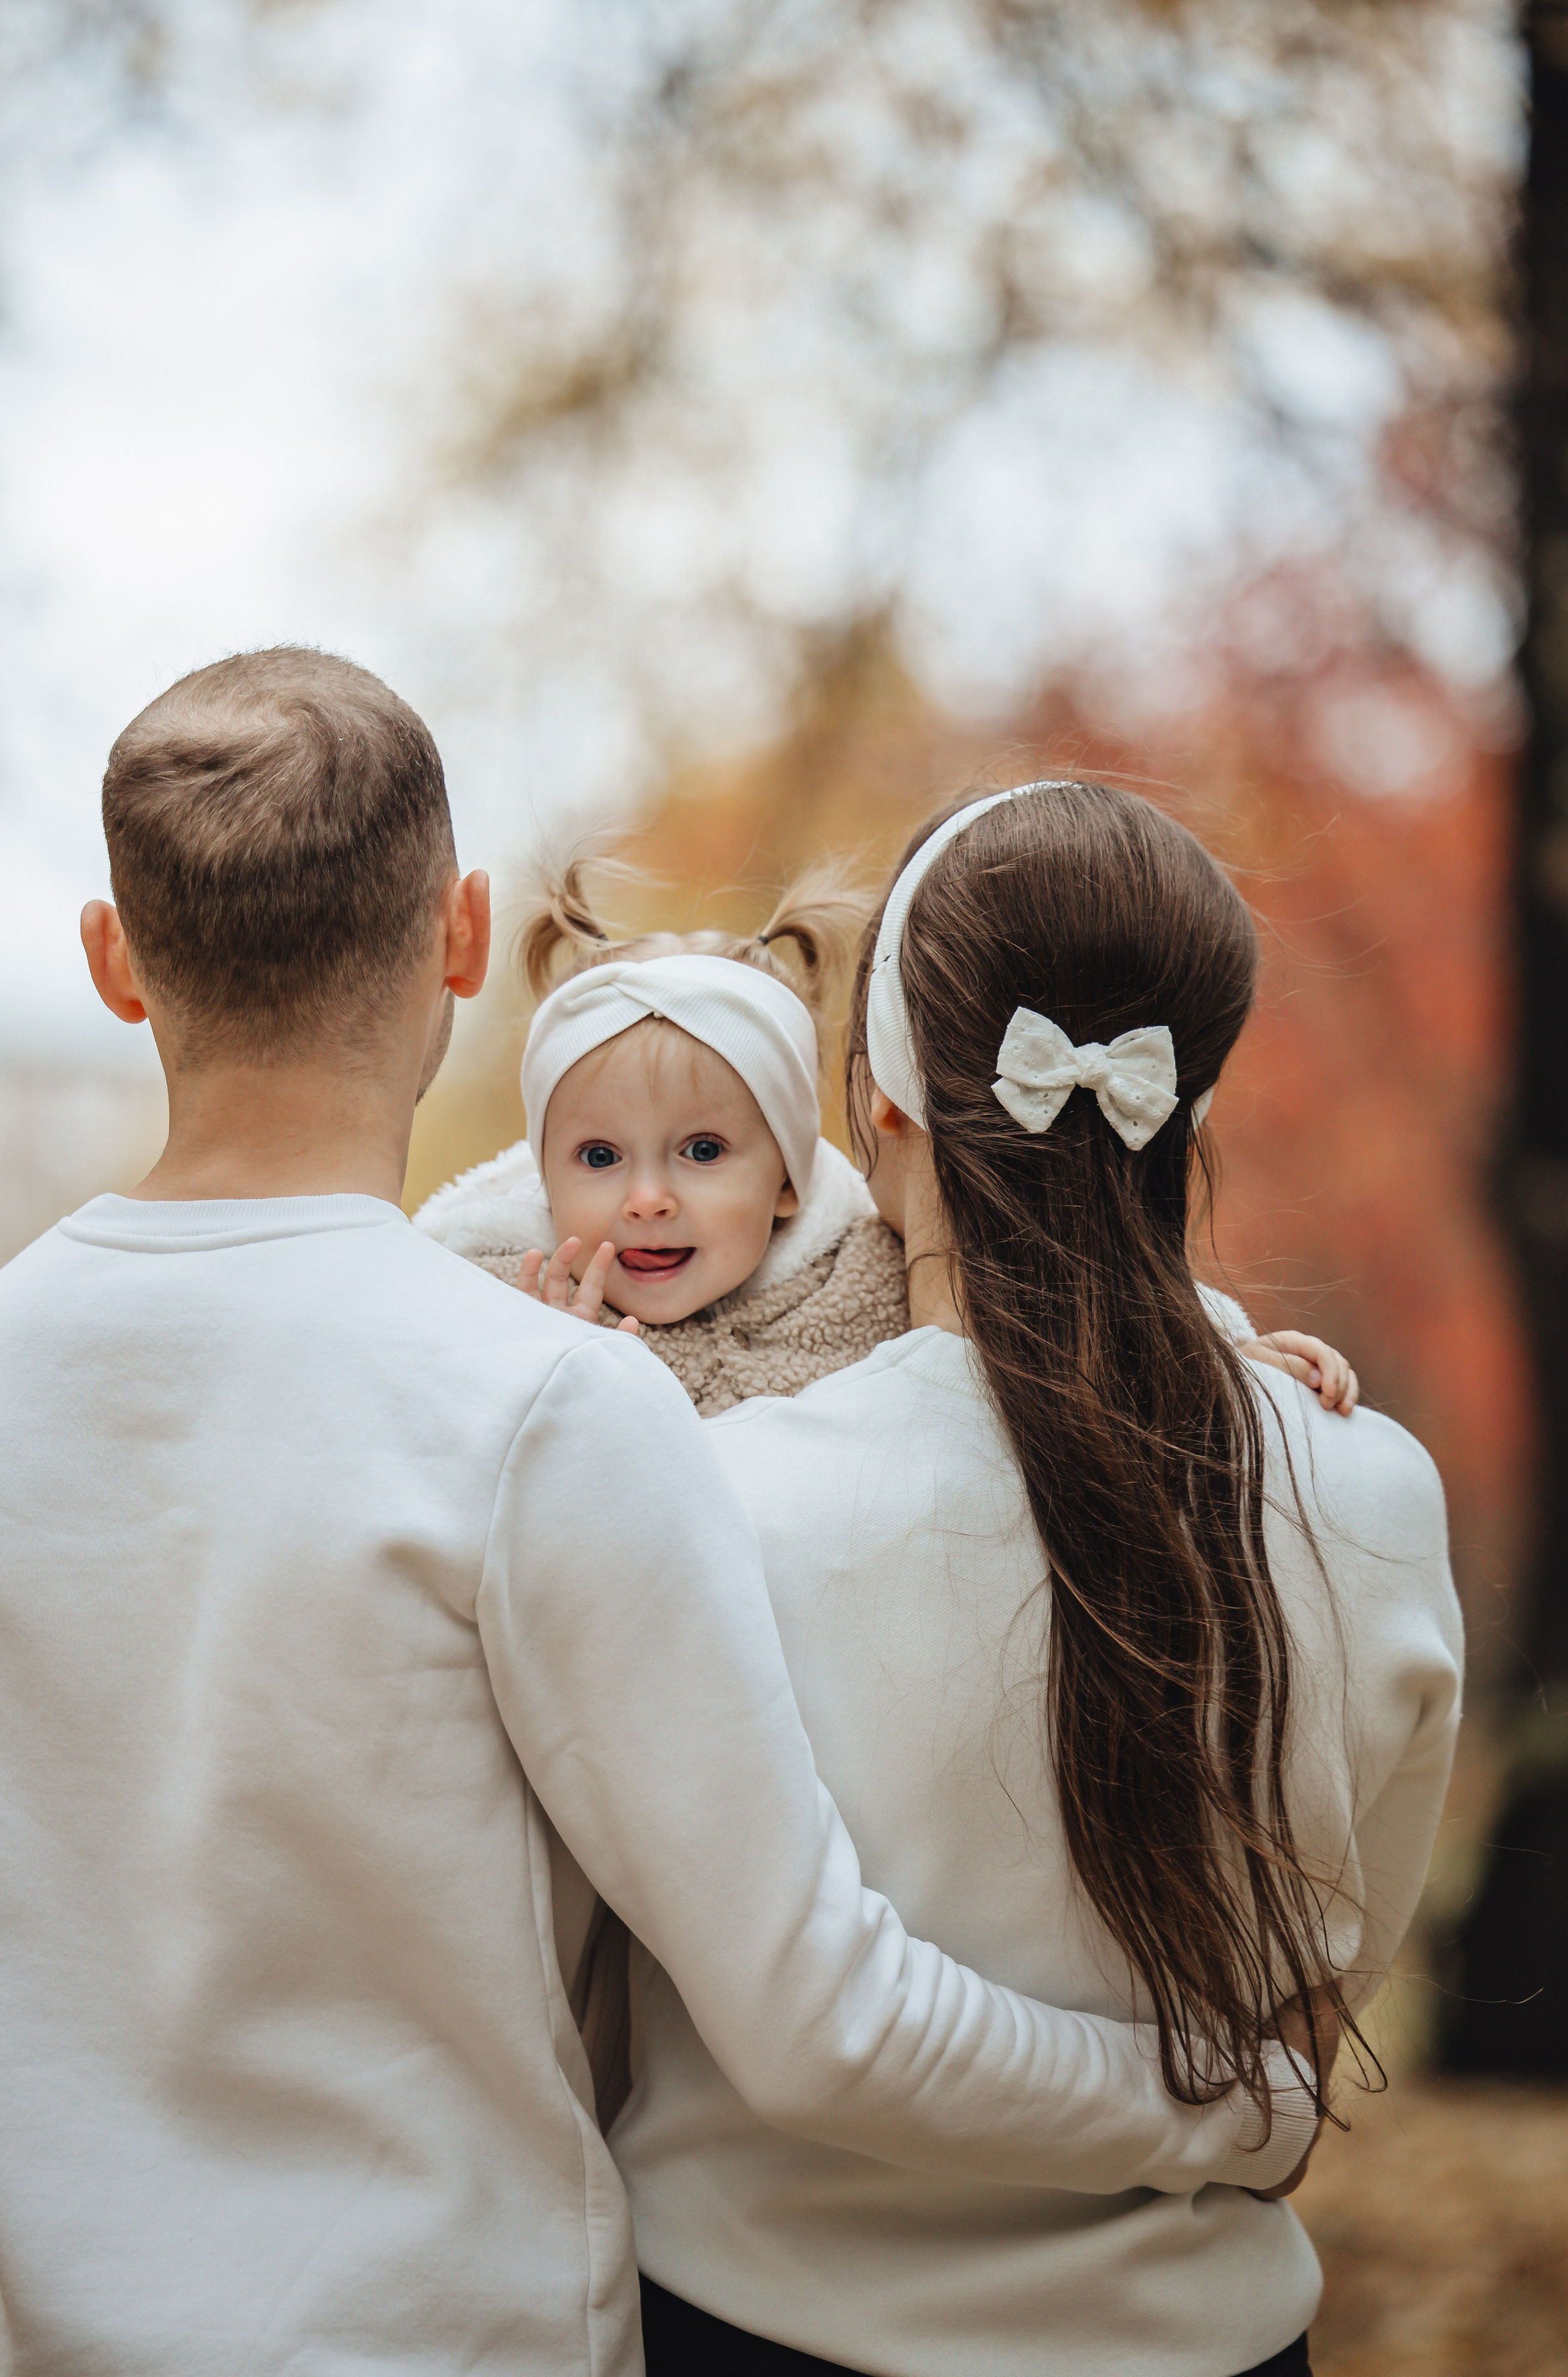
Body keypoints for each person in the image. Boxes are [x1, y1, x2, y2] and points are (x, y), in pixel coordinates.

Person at [0, 664, 1324, 2377]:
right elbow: (817, 2015)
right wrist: (1226, 2107)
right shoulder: (543, 1406)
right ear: (461, 936)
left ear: (112, 960)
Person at [603, 784, 1464, 2377]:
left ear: (873, 1103)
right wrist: (1244, 2108)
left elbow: (742, 2029)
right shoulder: (1374, 1495)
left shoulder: (720, 1498)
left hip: (759, 2333)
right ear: (1187, 1109)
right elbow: (1308, 2014)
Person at [418, 854, 1359, 1417]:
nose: (649, 1197)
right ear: (540, 1176)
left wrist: (1218, 1353)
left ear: (789, 1178)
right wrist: (542, 1382)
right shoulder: (498, 1303)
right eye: (598, 1157)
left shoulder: (869, 1270)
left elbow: (1054, 1300)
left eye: (703, 1152)